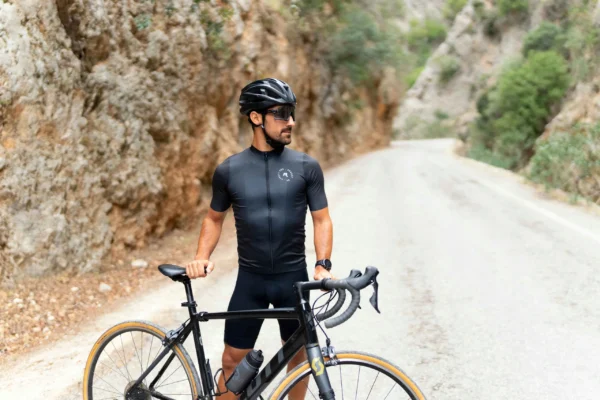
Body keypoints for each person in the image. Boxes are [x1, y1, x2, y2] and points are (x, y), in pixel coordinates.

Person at [185, 78, 334, 400]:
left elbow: (321, 218)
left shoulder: (306, 167)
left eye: (291, 113)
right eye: (281, 114)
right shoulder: (229, 170)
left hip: (293, 279)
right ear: (256, 117)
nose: (290, 121)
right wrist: (201, 256)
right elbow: (213, 218)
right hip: (251, 281)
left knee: (299, 358)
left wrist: (323, 264)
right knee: (231, 361)